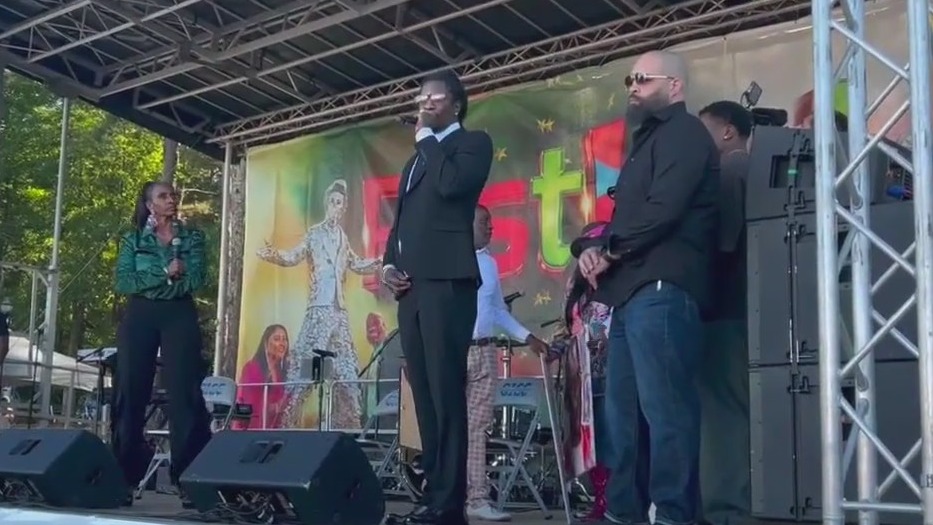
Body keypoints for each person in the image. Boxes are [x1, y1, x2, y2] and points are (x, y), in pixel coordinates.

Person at [573, 50, 719, 525]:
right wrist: (592, 249)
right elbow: (628, 220)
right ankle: (623, 511)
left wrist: (610, 250)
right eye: (629, 79)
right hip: (631, 292)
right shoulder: (647, 140)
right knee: (623, 417)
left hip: (664, 288)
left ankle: (675, 515)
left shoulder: (686, 133)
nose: (633, 86)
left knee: (666, 411)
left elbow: (664, 210)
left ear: (675, 85)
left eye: (643, 79)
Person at [381, 70, 493, 525]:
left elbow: (451, 186)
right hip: (412, 287)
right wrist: (388, 265)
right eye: (420, 96)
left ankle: (450, 504)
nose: (424, 102)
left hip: (448, 282)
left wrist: (426, 138)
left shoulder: (472, 144)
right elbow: (402, 222)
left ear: (457, 104)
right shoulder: (415, 161)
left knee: (446, 392)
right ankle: (434, 495)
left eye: (435, 96)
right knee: (424, 394)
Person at [113, 181, 212, 506]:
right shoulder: (132, 239)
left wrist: (173, 279)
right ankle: (125, 477)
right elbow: (124, 281)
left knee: (185, 393)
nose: (171, 199)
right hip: (141, 313)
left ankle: (189, 480)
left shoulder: (192, 237)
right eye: (163, 196)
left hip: (178, 312)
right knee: (131, 390)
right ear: (149, 204)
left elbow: (197, 278)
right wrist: (164, 274)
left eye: (173, 195)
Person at [257, 179, 380, 430]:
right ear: (327, 204)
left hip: (339, 311)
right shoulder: (315, 234)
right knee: (305, 370)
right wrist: (274, 255)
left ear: (344, 207)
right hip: (319, 309)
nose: (335, 206)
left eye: (339, 203)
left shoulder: (343, 238)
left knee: (347, 371)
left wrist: (379, 262)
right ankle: (287, 423)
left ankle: (347, 426)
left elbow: (356, 264)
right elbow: (293, 256)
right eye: (332, 201)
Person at [466, 204, 549, 522]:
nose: (491, 228)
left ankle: (477, 499)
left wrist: (528, 337)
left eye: (491, 222)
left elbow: (498, 310)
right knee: (450, 425)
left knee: (478, 427)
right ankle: (445, 494)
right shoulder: (447, 259)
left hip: (485, 349)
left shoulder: (489, 263)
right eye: (485, 222)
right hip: (453, 351)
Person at [697, 101, 752, 525]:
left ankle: (725, 511)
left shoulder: (732, 168)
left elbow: (723, 241)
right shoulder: (756, 169)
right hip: (750, 308)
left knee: (722, 417)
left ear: (728, 131)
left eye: (705, 131)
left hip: (725, 309)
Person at [558, 221, 613, 522]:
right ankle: (601, 500)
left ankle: (618, 502)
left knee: (616, 439)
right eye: (587, 252)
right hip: (583, 380)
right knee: (592, 444)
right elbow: (570, 329)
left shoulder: (619, 285)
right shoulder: (577, 292)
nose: (591, 257)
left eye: (598, 250)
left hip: (614, 374)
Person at [236, 324, 290, 429]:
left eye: (284, 340)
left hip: (276, 430)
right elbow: (250, 405)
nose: (282, 344)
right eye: (277, 339)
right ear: (266, 343)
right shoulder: (251, 368)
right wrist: (274, 408)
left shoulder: (282, 372)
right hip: (252, 430)